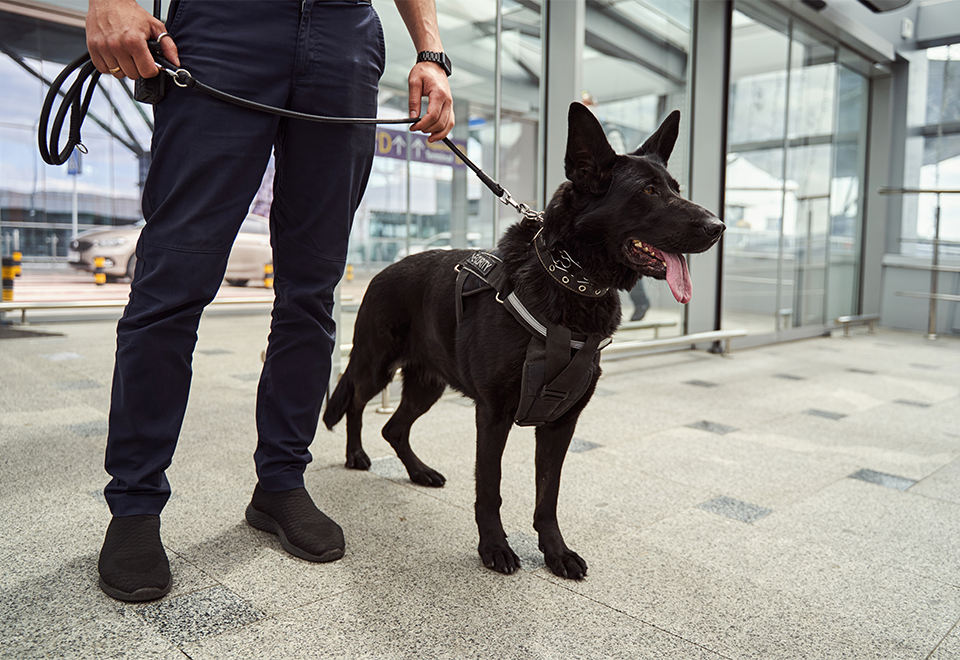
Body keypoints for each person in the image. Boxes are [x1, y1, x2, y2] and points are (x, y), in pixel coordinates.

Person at [85, 0, 454, 602]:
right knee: (171, 284)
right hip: (226, 23)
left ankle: (281, 481)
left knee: (312, 292)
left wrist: (431, 52)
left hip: (344, 34)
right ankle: (134, 504)